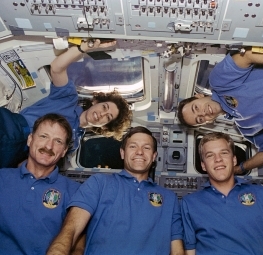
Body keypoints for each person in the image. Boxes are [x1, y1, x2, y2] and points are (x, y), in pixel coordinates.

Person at [46, 126, 184, 255]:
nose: (140, 152)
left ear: (154, 156)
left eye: (146, 148)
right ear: (122, 153)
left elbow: (177, 250)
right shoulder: (99, 183)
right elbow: (71, 229)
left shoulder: (169, 198)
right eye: (133, 146)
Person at [0, 39, 132, 168]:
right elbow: (57, 68)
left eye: (108, 117)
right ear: (95, 101)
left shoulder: (73, 144)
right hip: (13, 127)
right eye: (105, 107)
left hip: (16, 153)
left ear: (104, 127)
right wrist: (85, 47)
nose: (102, 114)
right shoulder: (68, 98)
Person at [180, 132, 263, 255]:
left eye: (224, 153)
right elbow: (190, 251)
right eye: (210, 155)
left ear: (234, 160)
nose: (218, 159)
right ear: (203, 165)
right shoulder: (189, 203)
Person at [0, 113, 82, 255]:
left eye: (58, 141)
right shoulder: (2, 177)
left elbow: (79, 239)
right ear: (30, 140)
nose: (49, 146)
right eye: (43, 136)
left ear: (63, 152)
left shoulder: (75, 192)